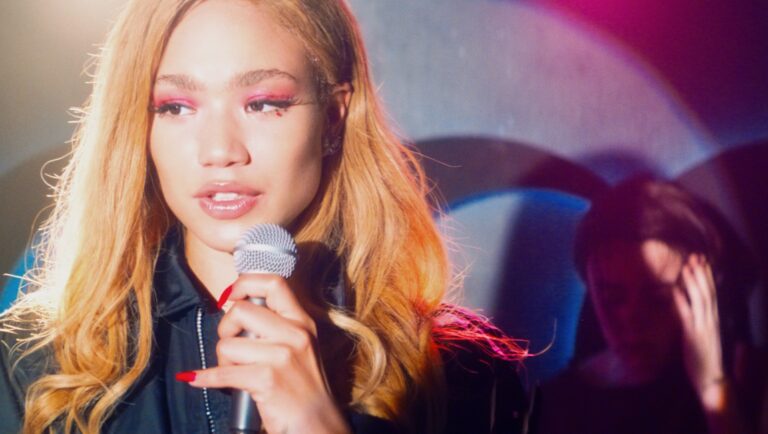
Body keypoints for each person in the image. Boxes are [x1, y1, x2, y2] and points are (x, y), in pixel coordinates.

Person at [0, 1, 527, 433]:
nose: (220, 151)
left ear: (334, 119)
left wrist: (314, 424)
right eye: (176, 107)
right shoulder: (29, 365)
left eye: (264, 102)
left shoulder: (462, 375)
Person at [532, 178, 751, 434]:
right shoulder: (557, 404)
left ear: (701, 288)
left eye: (658, 299)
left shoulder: (749, 381)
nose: (631, 320)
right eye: (612, 299)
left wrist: (713, 390)